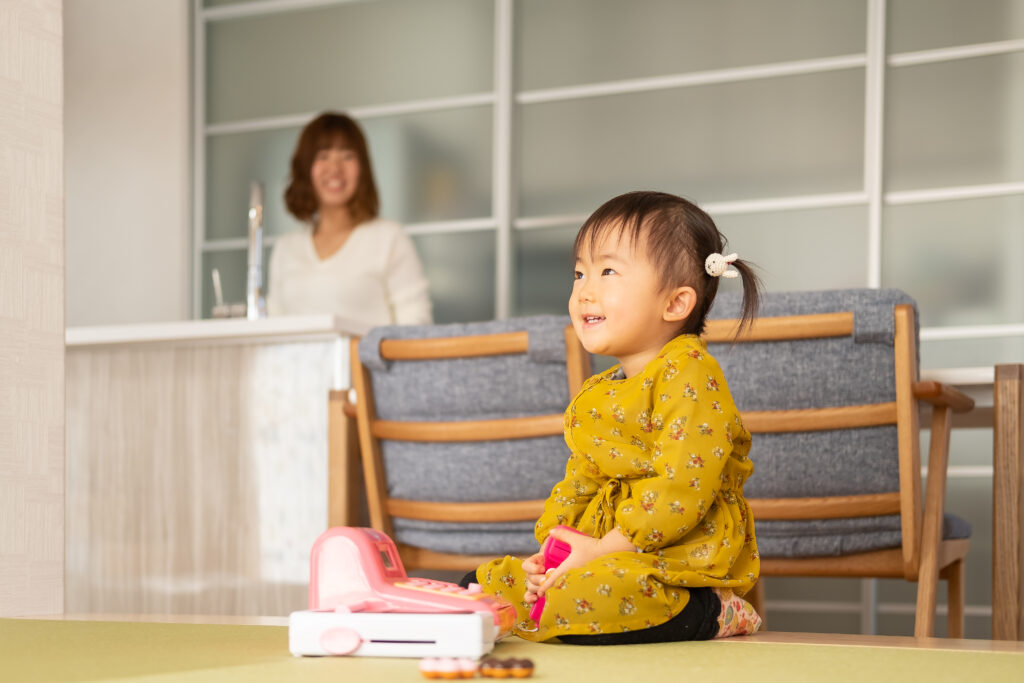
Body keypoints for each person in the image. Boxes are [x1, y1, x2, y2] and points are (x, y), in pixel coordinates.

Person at [465, 190, 763, 644]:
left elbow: (681, 488)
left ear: (676, 304)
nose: (585, 289)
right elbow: (579, 480)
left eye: (607, 271)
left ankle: (709, 608)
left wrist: (602, 550)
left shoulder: (690, 372)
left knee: (582, 597)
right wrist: (552, 549)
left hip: (677, 556)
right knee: (481, 581)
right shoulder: (600, 391)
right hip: (605, 550)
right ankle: (557, 595)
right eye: (579, 273)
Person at [267, 112, 433, 328]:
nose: (335, 169)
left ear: (362, 169)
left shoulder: (389, 238)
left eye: (347, 156)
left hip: (364, 363)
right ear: (305, 169)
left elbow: (415, 324)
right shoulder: (285, 248)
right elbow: (273, 328)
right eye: (323, 156)